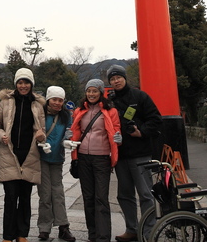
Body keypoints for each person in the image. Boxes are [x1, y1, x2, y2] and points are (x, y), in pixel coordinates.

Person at [106, 64, 163, 242]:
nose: (116, 81)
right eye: (112, 79)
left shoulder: (140, 96)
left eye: (118, 77)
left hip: (140, 154)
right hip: (121, 155)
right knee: (124, 194)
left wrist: (141, 132)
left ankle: (149, 231)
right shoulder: (109, 101)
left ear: (125, 78)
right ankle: (132, 229)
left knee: (145, 194)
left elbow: (155, 119)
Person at [0, 68, 47, 242]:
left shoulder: (38, 104)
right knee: (10, 197)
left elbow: (42, 130)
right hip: (9, 153)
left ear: (31, 84)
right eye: (20, 82)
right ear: (16, 84)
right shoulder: (5, 102)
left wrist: (41, 136)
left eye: (26, 82)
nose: (23, 86)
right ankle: (8, 235)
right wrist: (1, 135)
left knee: (25, 198)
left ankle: (22, 234)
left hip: (29, 155)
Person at [69, 79, 121, 242]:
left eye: (94, 91)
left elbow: (116, 128)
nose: (91, 94)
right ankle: (93, 233)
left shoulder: (110, 111)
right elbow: (75, 130)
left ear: (100, 92)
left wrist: (118, 137)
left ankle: (103, 236)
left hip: (102, 158)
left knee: (101, 197)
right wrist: (69, 138)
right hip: (83, 157)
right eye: (88, 91)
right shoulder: (79, 110)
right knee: (88, 197)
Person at [37, 86, 75, 242]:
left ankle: (63, 226)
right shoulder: (40, 114)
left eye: (60, 100)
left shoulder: (66, 116)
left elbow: (68, 132)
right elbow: (35, 131)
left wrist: (67, 141)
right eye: (54, 100)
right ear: (48, 100)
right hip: (41, 158)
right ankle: (44, 228)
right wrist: (40, 141)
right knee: (45, 194)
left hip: (57, 158)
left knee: (58, 193)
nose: (57, 103)